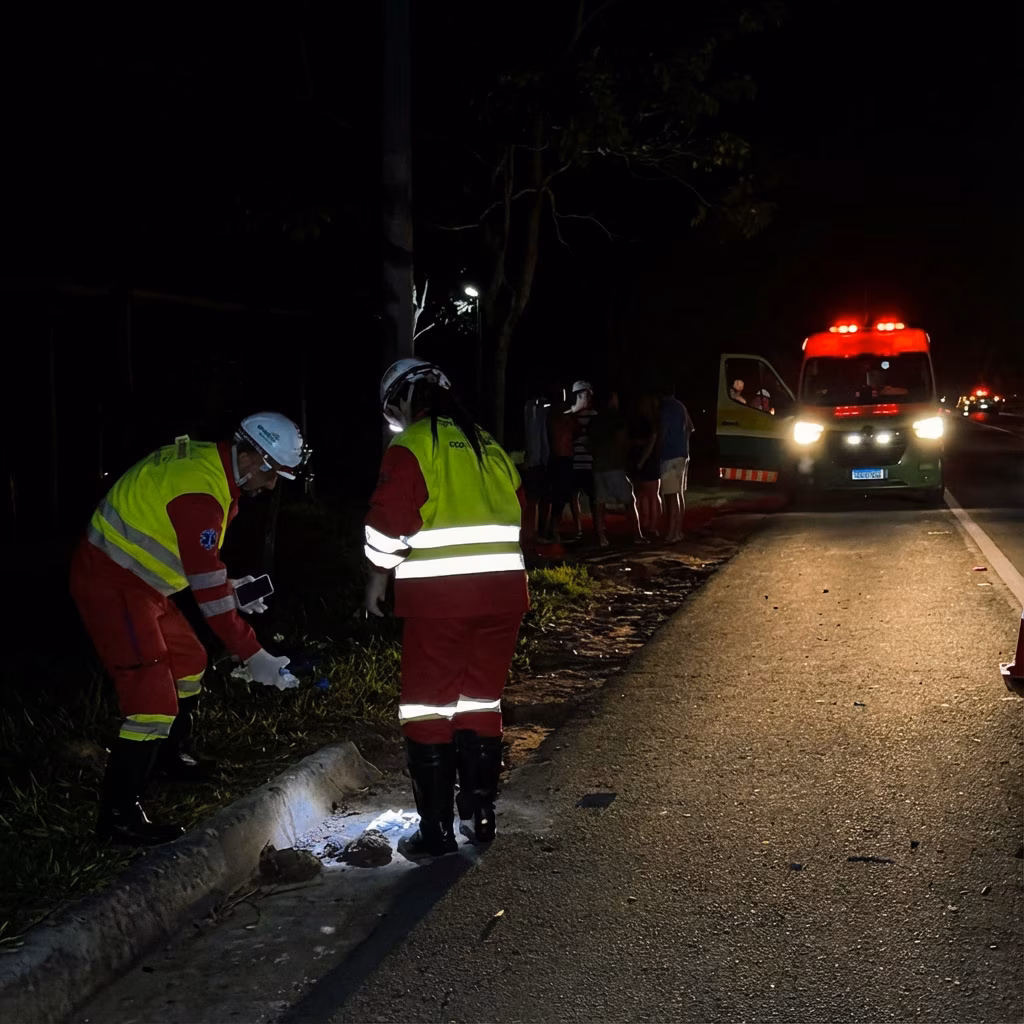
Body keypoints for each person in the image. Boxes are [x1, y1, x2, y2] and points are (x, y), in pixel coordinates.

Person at [70, 414, 308, 845]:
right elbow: (207, 593)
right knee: (151, 702)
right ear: (252, 454)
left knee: (190, 661)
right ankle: (118, 818)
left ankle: (169, 759)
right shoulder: (201, 492)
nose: (272, 485)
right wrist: (253, 654)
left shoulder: (211, 466)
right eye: (272, 473)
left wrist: (231, 588)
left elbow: (200, 566)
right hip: (113, 584)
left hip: (140, 584)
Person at [364, 359, 529, 857]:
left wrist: (378, 577)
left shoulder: (411, 445)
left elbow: (385, 528)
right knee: (480, 700)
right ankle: (480, 815)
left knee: (427, 706)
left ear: (402, 400)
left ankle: (434, 832)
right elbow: (523, 511)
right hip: (503, 595)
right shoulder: (488, 445)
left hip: (439, 600)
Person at [589, 391, 643, 546]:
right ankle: (637, 534)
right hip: (614, 466)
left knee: (600, 502)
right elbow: (622, 442)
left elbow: (590, 443)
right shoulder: (617, 419)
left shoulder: (595, 421)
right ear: (611, 401)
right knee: (629, 500)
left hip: (598, 466)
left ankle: (601, 537)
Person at [658, 387, 695, 544]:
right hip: (682, 455)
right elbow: (690, 428)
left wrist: (658, 446)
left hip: (670, 456)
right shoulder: (680, 406)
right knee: (679, 494)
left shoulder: (665, 408)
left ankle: (672, 534)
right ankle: (677, 531)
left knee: (671, 496)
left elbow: (662, 431)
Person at [538, 399, 577, 542]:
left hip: (564, 459)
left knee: (560, 497)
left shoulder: (565, 419)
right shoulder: (553, 417)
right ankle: (546, 529)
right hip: (556, 458)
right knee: (550, 496)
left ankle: (552, 527)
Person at [630, 392, 662, 537]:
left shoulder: (644, 422)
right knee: (651, 495)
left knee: (645, 494)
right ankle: (650, 524)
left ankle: (648, 524)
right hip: (651, 461)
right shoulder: (655, 421)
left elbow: (649, 442)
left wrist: (641, 460)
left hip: (645, 461)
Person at [569, 381, 597, 541]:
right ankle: (578, 528)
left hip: (589, 462)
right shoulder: (572, 415)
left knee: (594, 496)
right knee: (574, 496)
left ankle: (595, 526)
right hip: (576, 461)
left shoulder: (594, 415)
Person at [522, 396, 551, 542]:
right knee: (533, 501)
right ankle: (531, 532)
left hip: (539, 465)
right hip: (535, 466)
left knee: (537, 500)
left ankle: (537, 532)